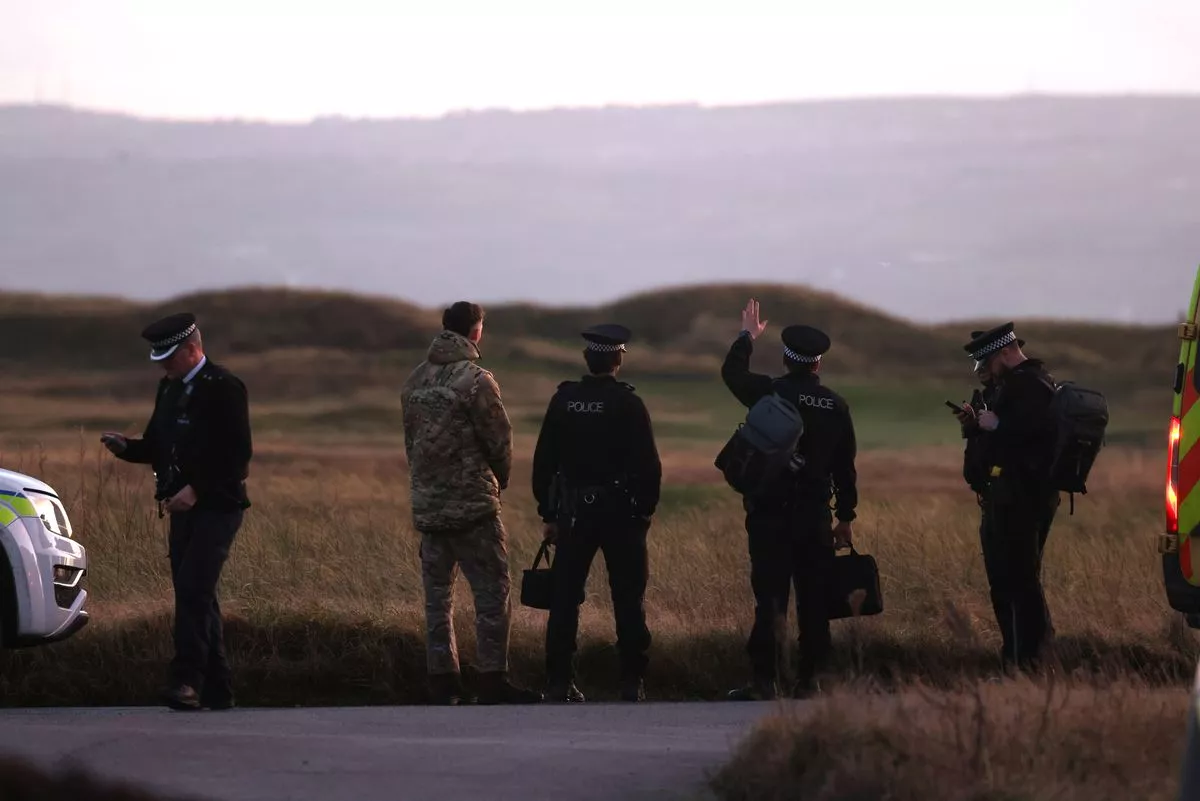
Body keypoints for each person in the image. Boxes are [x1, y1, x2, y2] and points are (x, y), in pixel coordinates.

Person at [100, 312, 252, 711]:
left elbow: (238, 455)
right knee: (199, 595)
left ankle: (186, 680)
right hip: (181, 508)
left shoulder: (224, 387)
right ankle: (218, 689)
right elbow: (157, 444)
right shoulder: (168, 389)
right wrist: (127, 448)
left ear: (192, 349)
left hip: (218, 507)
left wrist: (197, 490)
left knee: (193, 589)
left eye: (169, 358)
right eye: (159, 359)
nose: (163, 366)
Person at [401, 301, 542, 705]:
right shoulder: (477, 381)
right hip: (474, 507)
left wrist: (427, 485)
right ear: (476, 331)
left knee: (437, 598)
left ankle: (443, 681)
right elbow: (499, 440)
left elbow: (411, 443)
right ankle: (492, 679)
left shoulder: (414, 380)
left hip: (430, 506)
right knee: (492, 592)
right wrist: (499, 481)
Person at [720, 299, 858, 700]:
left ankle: (766, 681)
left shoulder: (769, 392)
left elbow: (732, 373)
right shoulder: (835, 405)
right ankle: (812, 681)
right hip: (814, 517)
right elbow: (845, 467)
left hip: (769, 515)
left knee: (770, 599)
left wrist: (747, 335)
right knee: (814, 601)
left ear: (786, 358)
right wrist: (845, 517)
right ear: (818, 363)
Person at [531, 324, 662, 703]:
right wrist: (643, 513)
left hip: (573, 514)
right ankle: (632, 682)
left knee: (564, 599)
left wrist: (549, 513)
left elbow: (544, 462)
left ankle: (559, 682)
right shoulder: (629, 404)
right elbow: (649, 466)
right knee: (628, 598)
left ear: (587, 358)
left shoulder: (564, 400)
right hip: (622, 516)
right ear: (618, 359)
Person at [954, 322, 1060, 672]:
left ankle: (1031, 663)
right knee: (1005, 582)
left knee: (1020, 581)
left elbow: (1038, 439)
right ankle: (1016, 659)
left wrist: (996, 425)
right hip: (1004, 497)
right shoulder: (1012, 386)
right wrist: (975, 426)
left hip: (1023, 498)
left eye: (986, 362)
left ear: (1004, 352)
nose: (982, 371)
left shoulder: (1031, 385)